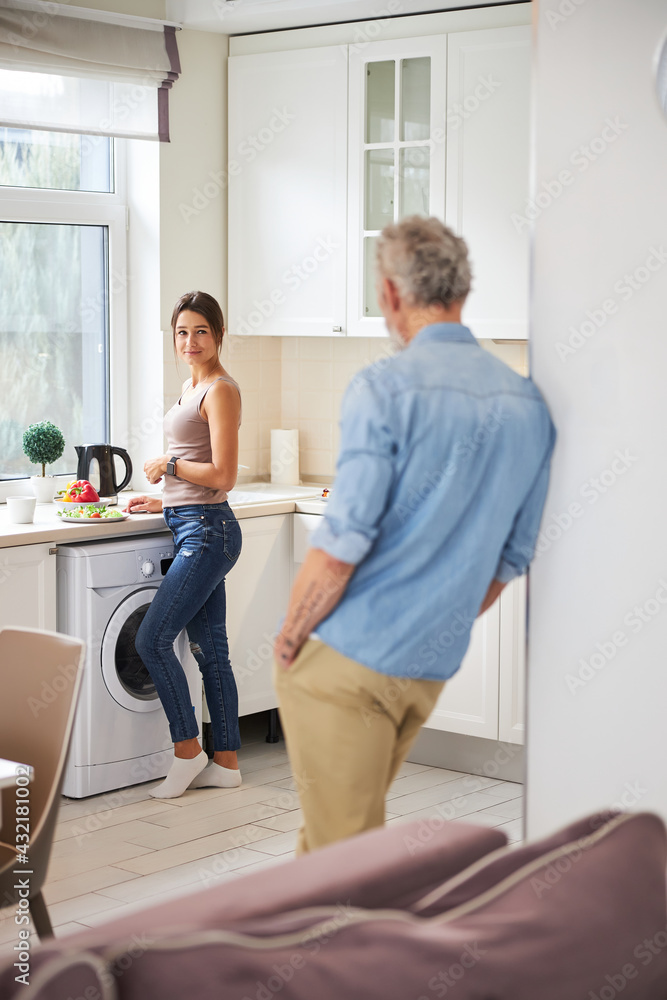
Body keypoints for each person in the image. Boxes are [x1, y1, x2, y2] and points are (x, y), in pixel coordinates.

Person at [273, 216, 556, 854]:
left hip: (346, 662)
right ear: (463, 291)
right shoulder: (526, 404)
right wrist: (434, 624)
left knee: (342, 859)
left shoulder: (383, 388)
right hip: (427, 667)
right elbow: (509, 560)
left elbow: (342, 542)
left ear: (391, 293)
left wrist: (289, 638)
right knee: (335, 841)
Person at [126, 291, 243, 799]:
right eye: (181, 332)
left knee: (151, 640)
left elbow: (223, 475)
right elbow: (199, 473)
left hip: (209, 532)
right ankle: (227, 763)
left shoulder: (220, 390)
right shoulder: (189, 387)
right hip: (191, 521)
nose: (190, 341)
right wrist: (165, 499)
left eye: (200, 331)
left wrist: (168, 466)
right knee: (211, 651)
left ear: (218, 334)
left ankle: (187, 753)